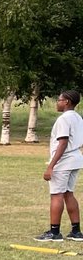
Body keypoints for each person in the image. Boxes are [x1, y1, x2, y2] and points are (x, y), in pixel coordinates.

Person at [35, 89, 83, 242]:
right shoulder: (78, 118)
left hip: (63, 161)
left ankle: (54, 232)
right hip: (75, 159)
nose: (57, 102)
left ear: (67, 102)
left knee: (57, 195)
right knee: (69, 193)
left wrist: (51, 166)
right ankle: (76, 231)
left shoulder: (64, 119)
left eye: (59, 100)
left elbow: (63, 143)